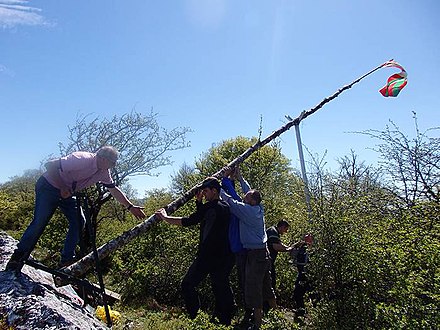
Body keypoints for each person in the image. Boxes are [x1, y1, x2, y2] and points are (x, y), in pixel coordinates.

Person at [5, 146, 146, 274]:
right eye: (113, 162)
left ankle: (66, 261)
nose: (113, 166)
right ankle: (18, 256)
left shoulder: (103, 171)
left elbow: (113, 189)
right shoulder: (82, 159)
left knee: (79, 221)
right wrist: (62, 187)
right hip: (49, 186)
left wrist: (130, 207)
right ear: (103, 159)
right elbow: (50, 165)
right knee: (40, 221)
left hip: (67, 193)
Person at [155, 177, 235, 326]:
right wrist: (199, 203)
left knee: (187, 284)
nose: (204, 194)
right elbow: (207, 219)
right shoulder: (225, 206)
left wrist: (166, 218)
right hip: (224, 255)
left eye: (206, 191)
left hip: (207, 256)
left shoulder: (210, 207)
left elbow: (189, 221)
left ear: (214, 190)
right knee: (220, 285)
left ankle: (196, 317)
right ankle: (225, 318)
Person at [220, 166, 276, 330]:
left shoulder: (246, 211)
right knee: (267, 287)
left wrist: (219, 185)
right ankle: (278, 318)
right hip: (263, 253)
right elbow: (249, 191)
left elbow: (229, 201)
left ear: (251, 201)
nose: (244, 196)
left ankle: (257, 325)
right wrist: (240, 177)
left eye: (246, 197)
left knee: (253, 289)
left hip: (255, 256)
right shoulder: (258, 207)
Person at [266, 220, 292, 292]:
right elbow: (276, 246)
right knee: (271, 283)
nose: (286, 232)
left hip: (268, 261)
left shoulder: (274, 231)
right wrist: (288, 250)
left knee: (271, 281)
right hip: (267, 261)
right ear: (282, 227)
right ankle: (268, 302)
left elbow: (281, 244)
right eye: (286, 229)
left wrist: (290, 248)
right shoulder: (273, 232)